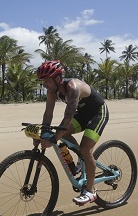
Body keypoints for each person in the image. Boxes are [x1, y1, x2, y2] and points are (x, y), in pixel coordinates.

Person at [35, 60, 109, 206]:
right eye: (42, 81)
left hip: (97, 113)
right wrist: (43, 133)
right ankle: (82, 159)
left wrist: (53, 140)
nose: (44, 84)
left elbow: (67, 118)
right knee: (64, 134)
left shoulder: (72, 87)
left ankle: (90, 191)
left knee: (85, 149)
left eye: (46, 81)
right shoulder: (52, 91)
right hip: (82, 115)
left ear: (57, 78)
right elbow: (48, 113)